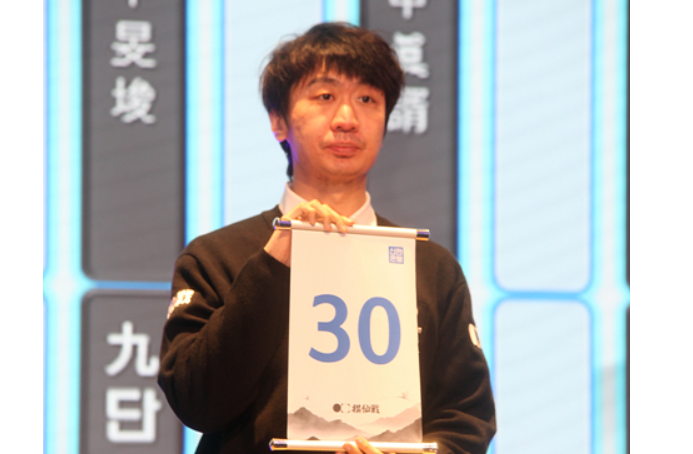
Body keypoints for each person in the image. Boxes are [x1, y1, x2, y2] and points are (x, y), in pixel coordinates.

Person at [158, 23, 496, 454]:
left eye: (367, 100)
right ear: (278, 121)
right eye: (324, 97)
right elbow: (196, 401)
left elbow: (466, 419)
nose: (347, 119)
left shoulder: (430, 267)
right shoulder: (215, 256)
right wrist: (271, 266)